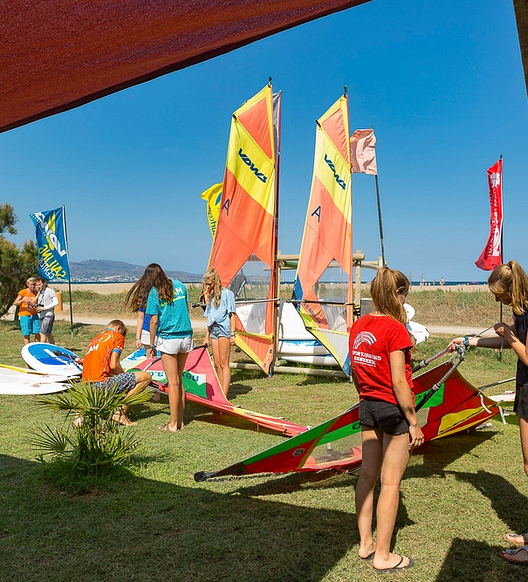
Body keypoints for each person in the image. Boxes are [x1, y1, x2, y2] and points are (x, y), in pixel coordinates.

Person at [448, 260, 528, 566]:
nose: (497, 300)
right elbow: (511, 344)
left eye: (499, 295)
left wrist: (508, 334)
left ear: (511, 289)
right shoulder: (521, 311)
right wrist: (470, 340)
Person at [349, 267, 424, 573]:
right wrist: (414, 422)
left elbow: (355, 370)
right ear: (396, 294)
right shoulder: (396, 330)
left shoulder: (358, 326)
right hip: (393, 412)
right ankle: (383, 555)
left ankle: (365, 543)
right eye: (404, 293)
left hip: (367, 407)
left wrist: (365, 396)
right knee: (390, 483)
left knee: (367, 476)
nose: (406, 298)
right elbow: (399, 382)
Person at [146, 267, 193, 432]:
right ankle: (180, 421)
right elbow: (186, 309)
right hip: (186, 337)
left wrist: (152, 344)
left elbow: (153, 321)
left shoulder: (154, 292)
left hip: (169, 338)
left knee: (172, 383)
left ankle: (173, 425)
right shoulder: (180, 285)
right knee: (179, 381)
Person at [81, 320, 151, 425]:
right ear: (118, 328)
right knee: (146, 377)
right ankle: (121, 412)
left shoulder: (95, 339)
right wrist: (123, 374)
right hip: (101, 384)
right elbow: (114, 365)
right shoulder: (117, 336)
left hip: (87, 387)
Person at [203, 268, 236, 396]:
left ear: (215, 282)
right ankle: (219, 391)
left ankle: (224, 394)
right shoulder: (210, 296)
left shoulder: (227, 294)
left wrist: (232, 335)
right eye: (206, 284)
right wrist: (206, 336)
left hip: (224, 329)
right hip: (213, 330)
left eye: (209, 284)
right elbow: (209, 317)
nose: (207, 286)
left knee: (224, 362)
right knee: (217, 363)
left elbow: (232, 315)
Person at [125, 263, 161, 358]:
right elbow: (141, 317)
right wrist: (138, 338)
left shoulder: (163, 293)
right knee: (152, 360)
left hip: (161, 331)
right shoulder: (146, 295)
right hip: (148, 330)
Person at [13, 277, 40, 344]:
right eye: (31, 284)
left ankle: (37, 347)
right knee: (27, 333)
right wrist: (22, 300)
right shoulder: (23, 292)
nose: (33, 286)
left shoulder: (36, 293)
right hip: (25, 315)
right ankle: (27, 348)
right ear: (28, 284)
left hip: (34, 314)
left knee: (37, 332)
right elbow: (15, 303)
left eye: (34, 284)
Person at [34, 277, 59, 344]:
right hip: (42, 315)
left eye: (39, 284)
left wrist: (45, 308)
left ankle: (43, 349)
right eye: (37, 285)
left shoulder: (50, 291)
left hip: (48, 314)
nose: (38, 286)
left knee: (42, 333)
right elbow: (37, 303)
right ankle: (53, 348)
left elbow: (56, 302)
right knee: (48, 333)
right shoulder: (39, 293)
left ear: (44, 283)